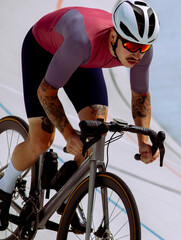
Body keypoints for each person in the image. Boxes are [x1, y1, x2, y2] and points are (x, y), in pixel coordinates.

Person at [0, 0, 160, 232]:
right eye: (131, 45)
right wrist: (68, 134)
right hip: (43, 51)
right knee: (42, 140)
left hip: (83, 61)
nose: (137, 54)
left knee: (95, 136)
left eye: (143, 48)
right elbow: (46, 93)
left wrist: (143, 141)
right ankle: (4, 188)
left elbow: (141, 96)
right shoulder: (81, 42)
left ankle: (66, 191)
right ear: (114, 36)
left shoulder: (142, 50)